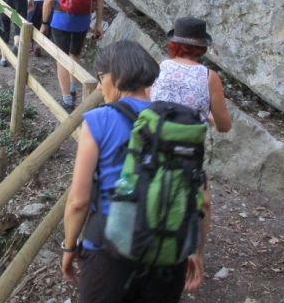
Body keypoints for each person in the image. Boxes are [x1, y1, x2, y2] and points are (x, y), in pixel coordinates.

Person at [60, 40, 203, 302]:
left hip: (108, 248)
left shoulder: (99, 120)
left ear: (115, 76)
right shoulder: (177, 124)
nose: (101, 85)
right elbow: (199, 195)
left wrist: (69, 246)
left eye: (101, 77)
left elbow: (78, 201)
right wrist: (192, 249)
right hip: (166, 251)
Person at [149, 16, 233, 292]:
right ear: (202, 47)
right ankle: (197, 254)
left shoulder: (159, 68)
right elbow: (224, 125)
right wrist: (204, 114)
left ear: (173, 44)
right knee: (203, 203)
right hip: (187, 154)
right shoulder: (209, 78)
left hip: (153, 147)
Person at [40, 0, 103, 112]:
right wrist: (98, 24)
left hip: (60, 21)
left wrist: (44, 23)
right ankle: (73, 86)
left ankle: (67, 99)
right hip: (82, 21)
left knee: (61, 59)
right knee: (74, 54)